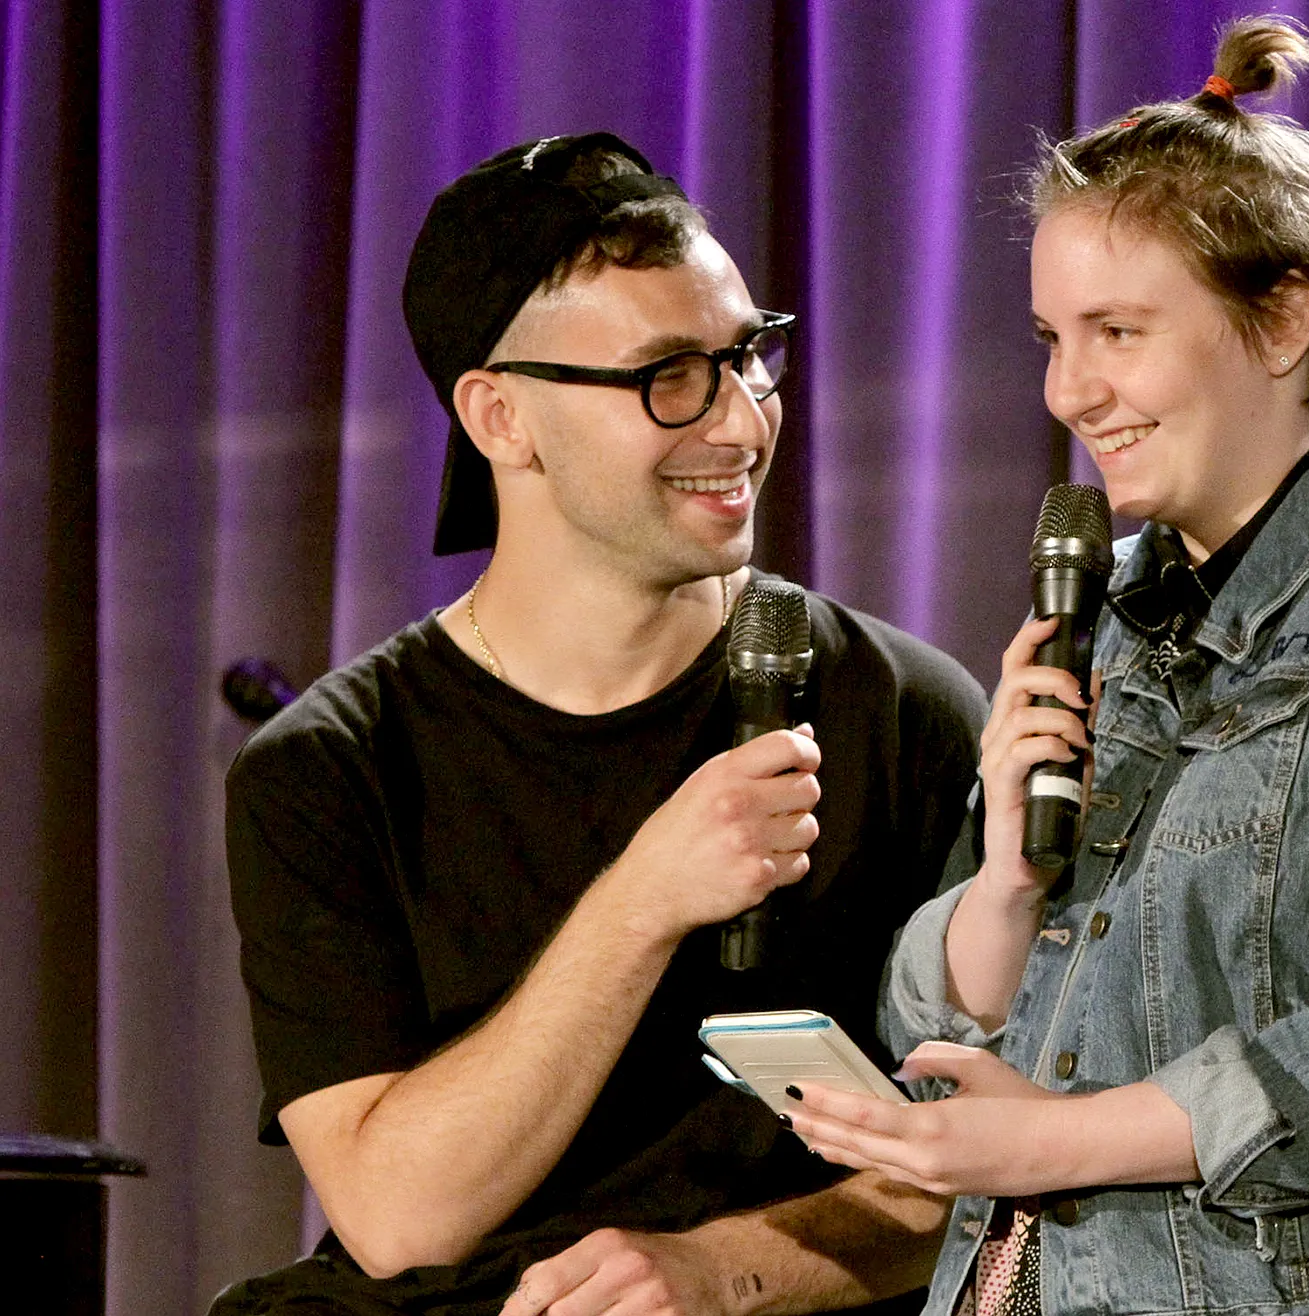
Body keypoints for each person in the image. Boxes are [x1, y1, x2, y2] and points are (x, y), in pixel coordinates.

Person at [786, 18, 1309, 1315]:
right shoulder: (1101, 616)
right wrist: (999, 882)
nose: (1069, 391)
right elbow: (936, 1034)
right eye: (1053, 338)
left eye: (1117, 332)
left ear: (1281, 321)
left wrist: (1058, 1141)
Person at [212, 132, 987, 1316]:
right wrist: (642, 898)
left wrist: (718, 1273)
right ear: (500, 418)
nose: (739, 422)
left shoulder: (905, 712)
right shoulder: (329, 767)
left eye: (750, 356)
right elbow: (398, 1217)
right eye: (670, 375)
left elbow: (985, 1175)